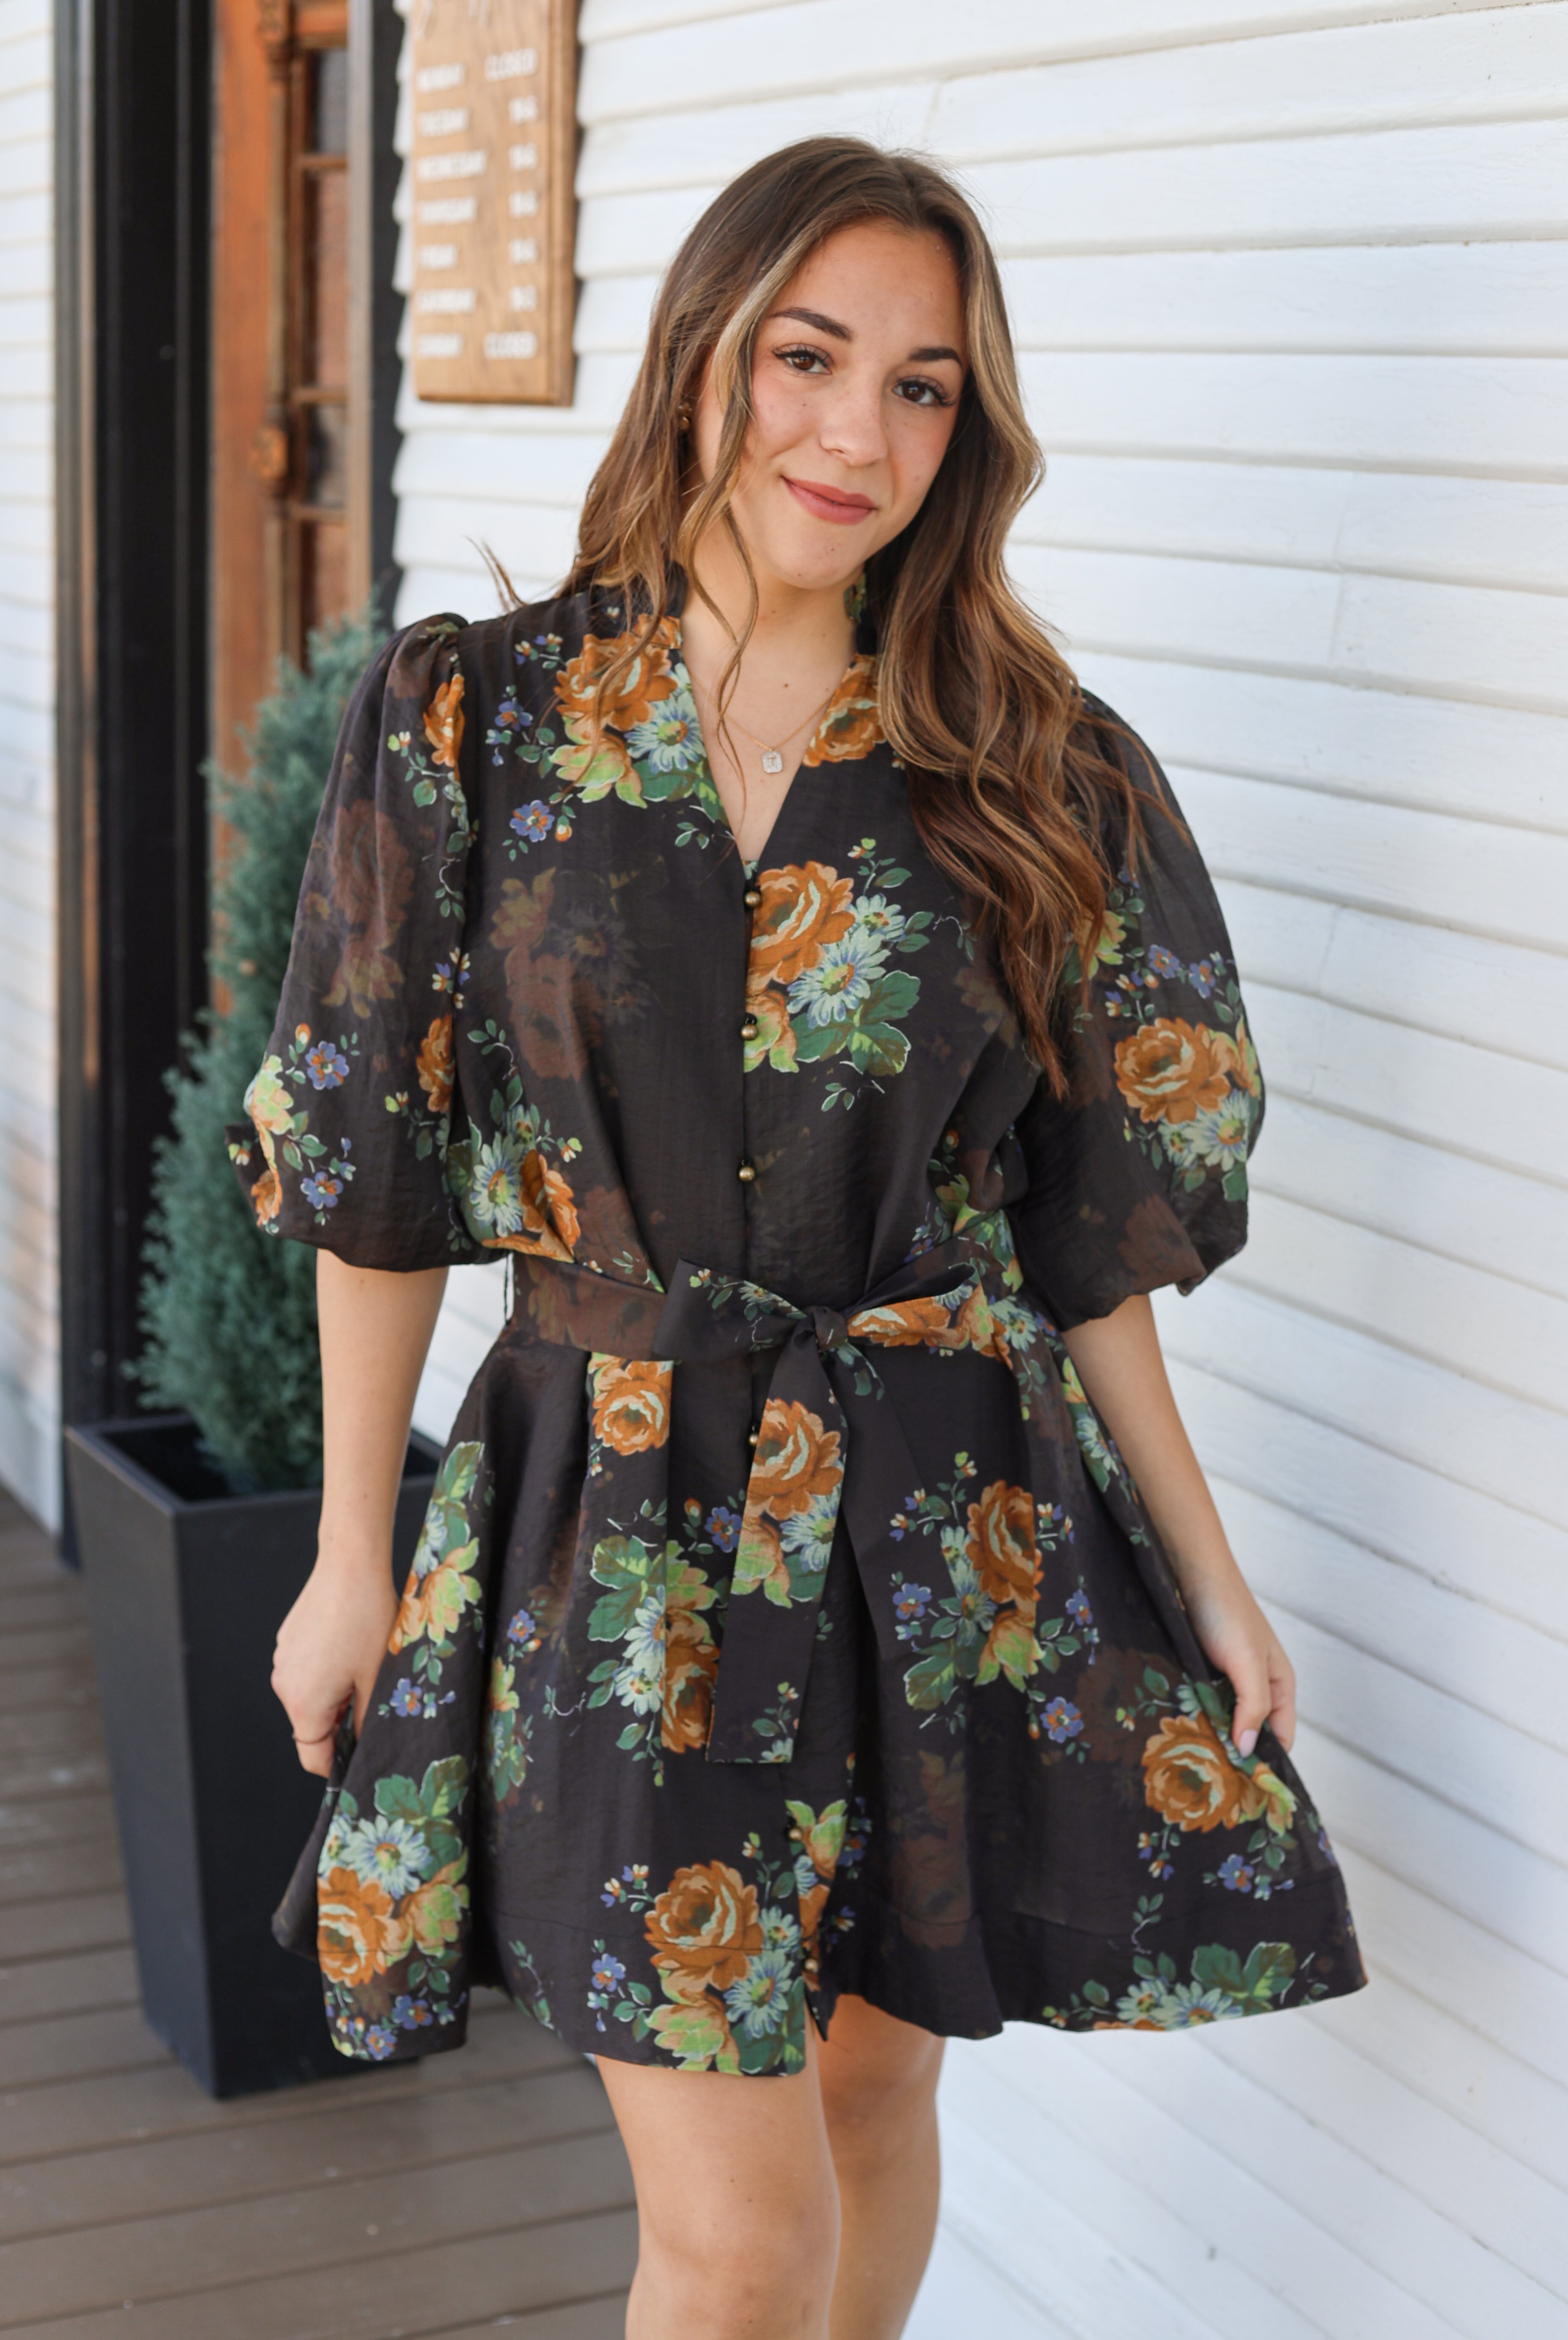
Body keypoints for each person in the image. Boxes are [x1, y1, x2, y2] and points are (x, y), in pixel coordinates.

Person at [235, 137, 1363, 2340]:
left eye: (923, 387)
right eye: (810, 358)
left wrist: (1207, 1572)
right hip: (614, 1522)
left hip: (934, 1522)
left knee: (867, 2100)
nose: (860, 432)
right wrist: (348, 1550)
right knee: (740, 2237)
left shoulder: (1031, 768)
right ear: (707, 353)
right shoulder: (480, 721)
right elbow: (376, 1176)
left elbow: (1085, 1242)